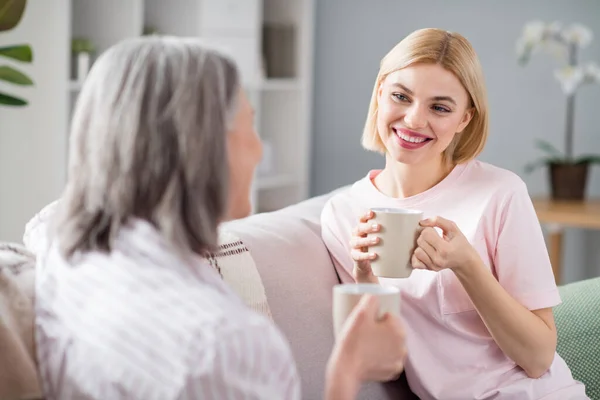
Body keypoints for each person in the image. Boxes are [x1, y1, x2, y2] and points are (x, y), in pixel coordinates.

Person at [34, 36, 407, 400]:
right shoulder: (226, 347)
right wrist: (348, 370)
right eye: (249, 126)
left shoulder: (57, 239)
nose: (260, 150)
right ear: (204, 148)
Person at [320, 28, 589, 400]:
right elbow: (380, 359)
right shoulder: (344, 213)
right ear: (380, 93)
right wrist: (364, 274)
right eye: (401, 96)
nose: (414, 120)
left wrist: (467, 265)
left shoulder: (501, 193)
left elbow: (538, 358)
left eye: (440, 107)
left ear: (465, 118)